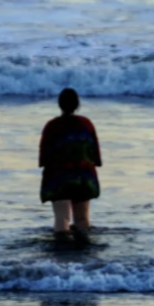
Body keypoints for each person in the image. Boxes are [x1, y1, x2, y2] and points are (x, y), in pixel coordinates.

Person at [39, 88, 102, 239]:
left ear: (59, 105)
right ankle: (83, 256)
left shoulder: (52, 126)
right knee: (82, 220)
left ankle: (61, 257)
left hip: (59, 177)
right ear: (77, 105)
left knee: (62, 218)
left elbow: (43, 158)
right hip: (83, 176)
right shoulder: (87, 124)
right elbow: (96, 157)